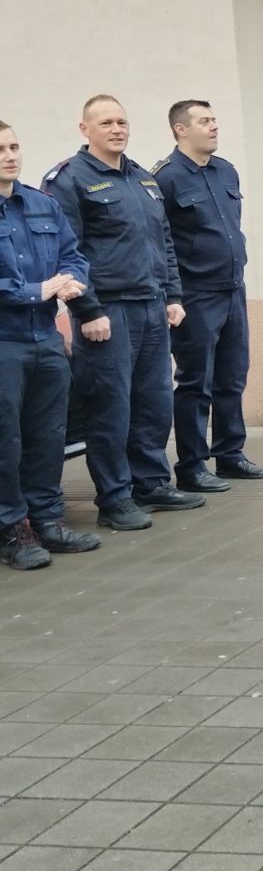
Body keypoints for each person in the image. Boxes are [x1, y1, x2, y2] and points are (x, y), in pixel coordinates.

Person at [44, 96, 203, 532]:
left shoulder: (142, 178)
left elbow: (163, 240)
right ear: (85, 129)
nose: (117, 129)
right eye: (106, 123)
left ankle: (150, 483)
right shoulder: (69, 180)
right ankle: (114, 497)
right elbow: (65, 252)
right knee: (110, 408)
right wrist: (87, 309)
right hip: (107, 312)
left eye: (122, 122)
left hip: (152, 306)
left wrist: (173, 295)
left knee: (153, 402)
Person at [154, 100, 263, 493]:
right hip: (195, 295)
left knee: (232, 376)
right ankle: (192, 465)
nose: (214, 127)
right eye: (204, 121)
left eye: (214, 120)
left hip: (233, 287)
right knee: (195, 382)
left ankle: (230, 454)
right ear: (180, 129)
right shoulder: (165, 178)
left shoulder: (225, 171)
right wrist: (172, 296)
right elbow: (162, 242)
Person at [0, 120, 101, 569]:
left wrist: (72, 280)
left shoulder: (41, 204)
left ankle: (46, 520)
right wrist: (35, 290)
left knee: (48, 436)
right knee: (6, 441)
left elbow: (72, 253)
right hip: (5, 342)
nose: (10, 156)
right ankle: (12, 529)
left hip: (45, 339)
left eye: (14, 146)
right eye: (0, 149)